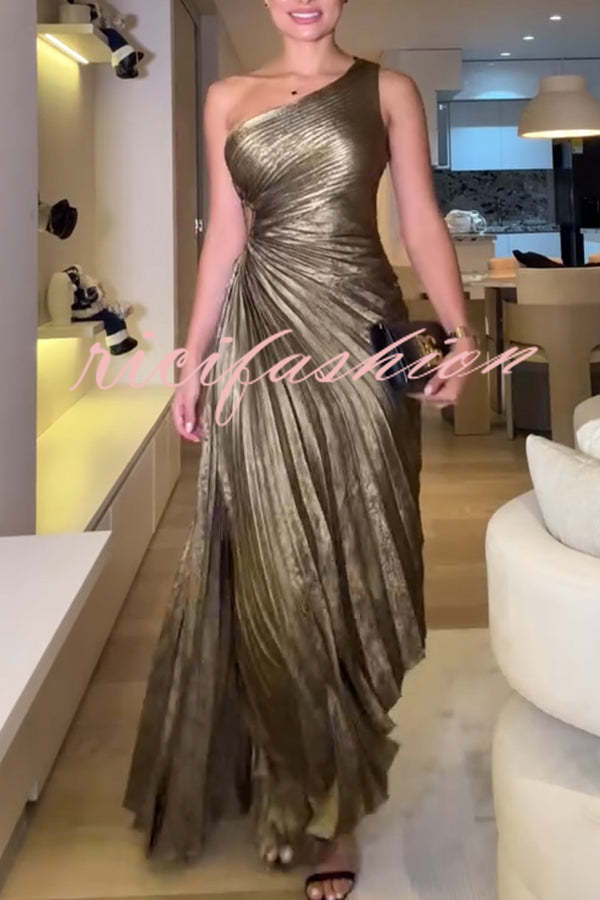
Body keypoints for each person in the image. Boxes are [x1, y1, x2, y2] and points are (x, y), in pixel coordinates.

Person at [122, 2, 477, 898]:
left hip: (360, 338)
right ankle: (305, 791)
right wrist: (194, 358)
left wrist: (461, 332)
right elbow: (226, 235)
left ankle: (337, 796)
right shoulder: (226, 98)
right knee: (277, 566)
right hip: (261, 342)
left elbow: (420, 220)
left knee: (360, 549)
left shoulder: (388, 90)